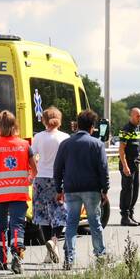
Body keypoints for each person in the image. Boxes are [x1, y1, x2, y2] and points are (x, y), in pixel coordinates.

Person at [0, 111, 37, 274]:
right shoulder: (24, 145)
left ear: (0, 126)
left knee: (0, 228)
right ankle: (17, 255)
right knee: (17, 225)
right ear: (14, 125)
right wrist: (30, 179)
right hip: (18, 193)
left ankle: (2, 259)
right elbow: (34, 168)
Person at [54, 109, 110, 270]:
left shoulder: (65, 144)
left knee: (71, 223)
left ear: (77, 125)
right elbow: (103, 169)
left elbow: (57, 168)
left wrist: (59, 189)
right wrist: (105, 189)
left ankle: (69, 258)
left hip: (71, 189)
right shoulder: (97, 144)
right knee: (95, 223)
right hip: (92, 189)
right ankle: (100, 256)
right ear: (92, 127)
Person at [31, 106, 69, 263]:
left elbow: (32, 155)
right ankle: (53, 241)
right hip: (58, 179)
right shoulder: (65, 137)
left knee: (43, 215)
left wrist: (34, 171)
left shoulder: (38, 137)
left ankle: (49, 253)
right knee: (60, 212)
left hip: (41, 178)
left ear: (43, 120)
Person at [117, 107, 140, 226]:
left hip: (136, 163)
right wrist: (125, 166)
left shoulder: (139, 128)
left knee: (135, 190)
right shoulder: (126, 129)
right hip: (127, 164)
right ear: (131, 116)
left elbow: (139, 145)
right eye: (138, 116)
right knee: (127, 190)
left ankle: (131, 215)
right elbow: (121, 150)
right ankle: (124, 217)